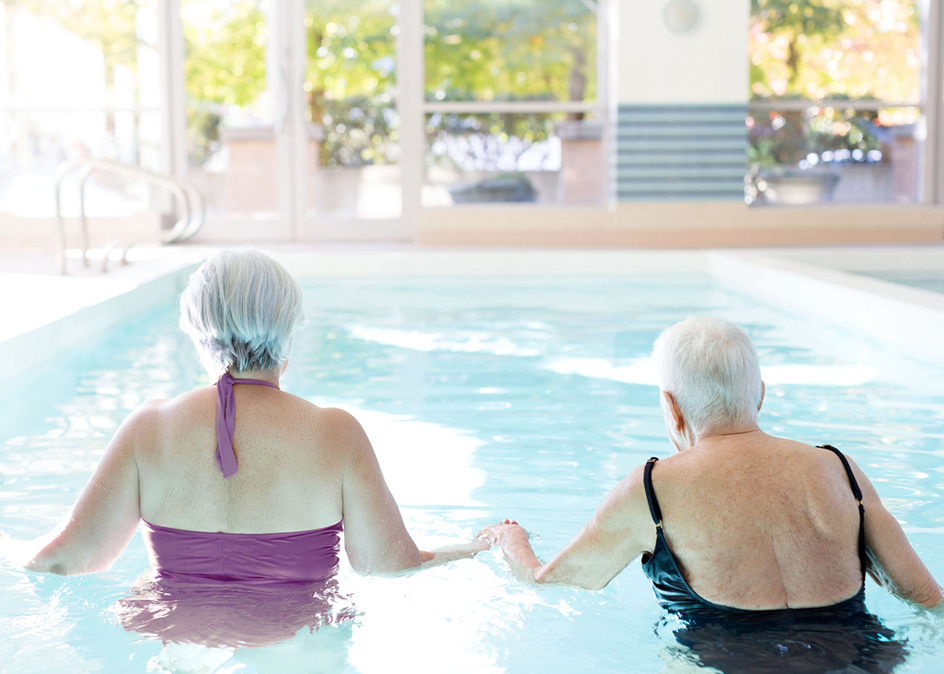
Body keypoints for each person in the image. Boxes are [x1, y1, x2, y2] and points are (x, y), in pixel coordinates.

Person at [0, 249, 484, 588]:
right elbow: (390, 566)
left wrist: (6, 546)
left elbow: (67, 560)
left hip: (176, 644)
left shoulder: (150, 428)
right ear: (288, 330)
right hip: (301, 649)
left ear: (197, 330)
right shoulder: (335, 434)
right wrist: (478, 547)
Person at [478, 317, 940, 668]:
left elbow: (555, 582)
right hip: (860, 659)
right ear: (759, 394)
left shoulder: (650, 489)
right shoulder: (840, 470)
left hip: (719, 664)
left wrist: (511, 539)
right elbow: (924, 597)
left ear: (672, 408)